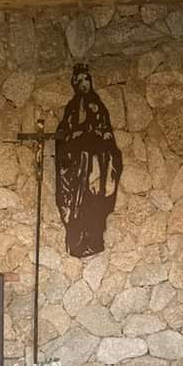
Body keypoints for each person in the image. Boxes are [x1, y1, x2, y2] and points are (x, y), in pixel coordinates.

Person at [54, 63, 123, 258]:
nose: (84, 83)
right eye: (80, 81)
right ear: (75, 84)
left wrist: (103, 136)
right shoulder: (72, 108)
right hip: (78, 165)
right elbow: (64, 134)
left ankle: (93, 239)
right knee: (77, 202)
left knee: (95, 200)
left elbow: (105, 130)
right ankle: (78, 239)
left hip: (96, 163)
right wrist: (75, 136)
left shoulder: (97, 105)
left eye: (87, 79)